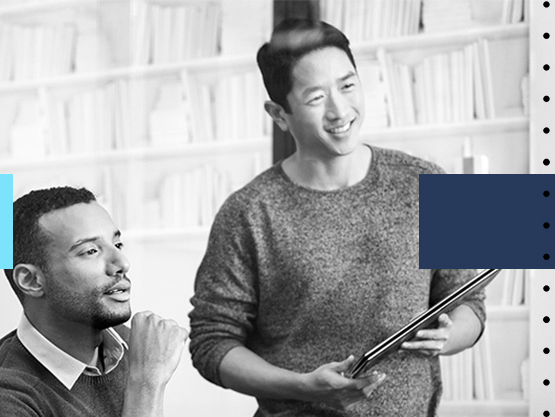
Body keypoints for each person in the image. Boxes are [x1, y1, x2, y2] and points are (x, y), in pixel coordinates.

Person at [188, 18, 486, 417]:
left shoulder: (429, 182)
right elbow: (211, 341)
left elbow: (472, 304)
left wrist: (448, 336)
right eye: (316, 99)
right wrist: (301, 386)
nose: (340, 110)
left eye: (348, 85)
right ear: (279, 114)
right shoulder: (249, 211)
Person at [0, 186, 189, 417]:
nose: (122, 263)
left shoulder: (129, 345)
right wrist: (146, 384)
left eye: (117, 244)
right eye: (90, 251)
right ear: (31, 281)